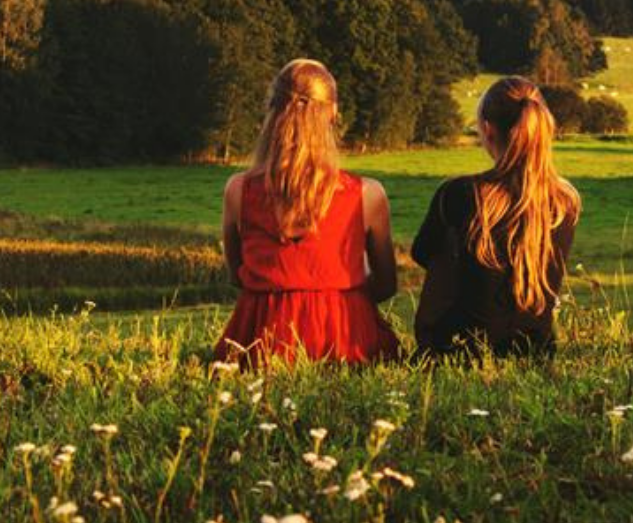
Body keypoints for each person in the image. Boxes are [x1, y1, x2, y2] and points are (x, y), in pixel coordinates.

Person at [214, 59, 400, 366]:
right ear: (333, 114)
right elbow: (386, 285)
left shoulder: (239, 190)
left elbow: (238, 275)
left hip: (261, 337)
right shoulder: (367, 195)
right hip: (344, 336)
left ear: (271, 111)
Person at [413, 76, 582, 358]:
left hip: (460, 352)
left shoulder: (459, 193)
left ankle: (431, 343)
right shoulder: (565, 201)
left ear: (488, 130)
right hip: (536, 353)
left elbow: (423, 254)